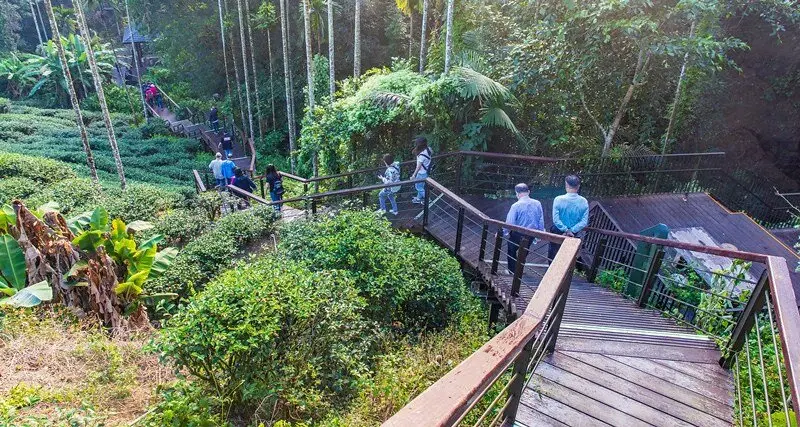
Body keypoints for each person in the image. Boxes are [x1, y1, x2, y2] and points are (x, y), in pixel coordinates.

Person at [504, 183, 545, 274]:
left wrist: (503, 232)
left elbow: (510, 222)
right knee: (524, 252)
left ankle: (512, 271)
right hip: (531, 233)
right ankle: (519, 270)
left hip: (518, 233)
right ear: (528, 192)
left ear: (517, 193)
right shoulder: (537, 203)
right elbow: (540, 220)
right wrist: (540, 234)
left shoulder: (516, 205)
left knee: (511, 249)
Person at [548, 174, 590, 262]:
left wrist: (565, 230)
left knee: (554, 253)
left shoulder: (558, 199)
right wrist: (572, 231)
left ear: (566, 185)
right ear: (578, 186)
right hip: (574, 233)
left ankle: (552, 272)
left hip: (557, 231)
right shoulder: (584, 201)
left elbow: (556, 219)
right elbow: (583, 221)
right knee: (568, 256)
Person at [410, 136, 432, 204]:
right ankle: (418, 198)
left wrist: (413, 175)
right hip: (426, 171)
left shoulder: (421, 156)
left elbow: (418, 167)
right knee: (420, 186)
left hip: (421, 173)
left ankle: (428, 199)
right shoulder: (429, 149)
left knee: (418, 187)